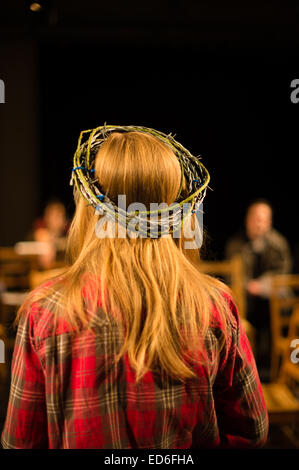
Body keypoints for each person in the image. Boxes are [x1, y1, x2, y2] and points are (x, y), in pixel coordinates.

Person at [1, 125, 268, 449]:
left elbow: (20, 442)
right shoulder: (214, 306)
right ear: (175, 210)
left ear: (88, 209)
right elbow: (251, 430)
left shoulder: (45, 312)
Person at [225, 199, 291, 378]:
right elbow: (233, 275)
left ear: (269, 222)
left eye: (263, 220)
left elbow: (283, 273)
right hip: (245, 299)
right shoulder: (235, 244)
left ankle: (273, 370)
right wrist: (248, 286)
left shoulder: (278, 245)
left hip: (271, 300)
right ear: (247, 220)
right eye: (255, 219)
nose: (259, 224)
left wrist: (262, 286)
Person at [33, 199, 69, 269]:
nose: (60, 219)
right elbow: (46, 263)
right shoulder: (41, 231)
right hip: (44, 272)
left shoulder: (68, 231)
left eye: (62, 215)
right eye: (56, 216)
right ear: (47, 217)